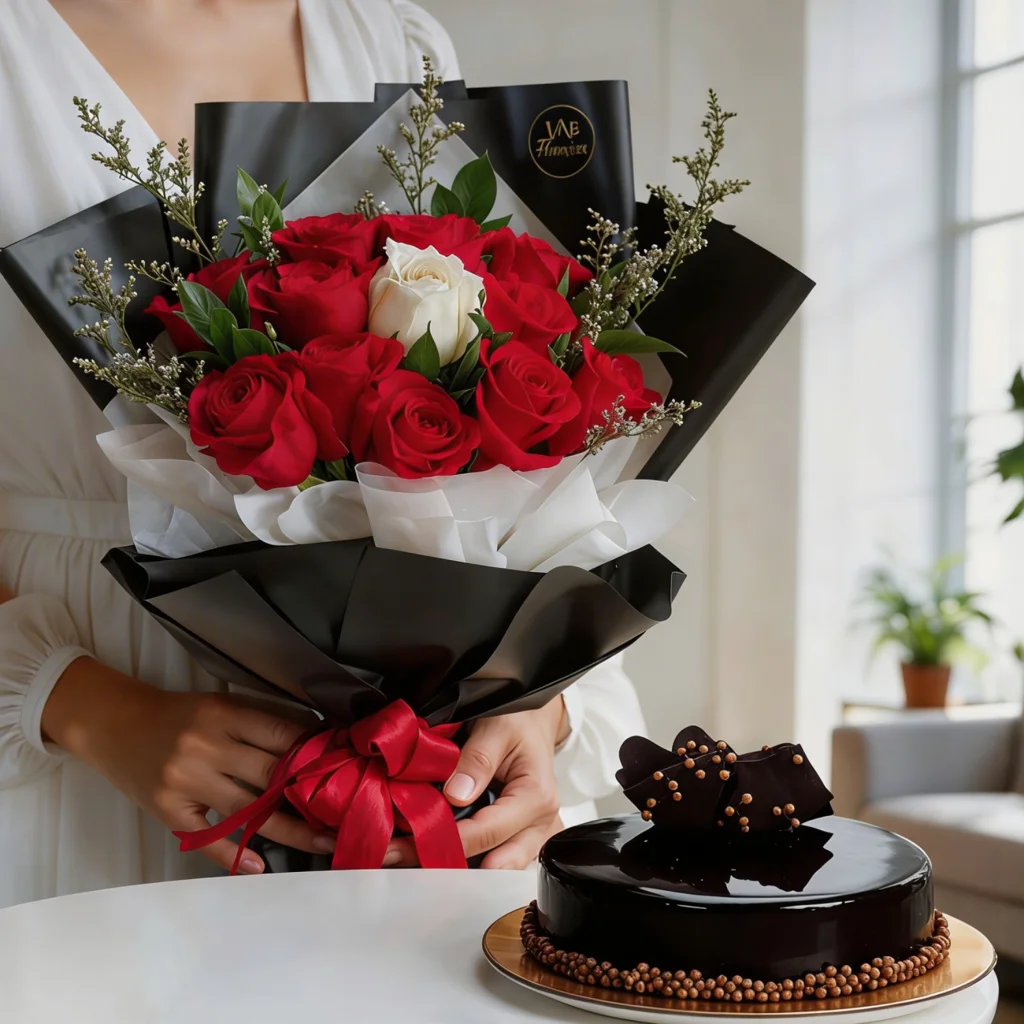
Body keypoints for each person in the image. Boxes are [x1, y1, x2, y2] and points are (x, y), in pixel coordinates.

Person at [0, 0, 647, 908]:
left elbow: (513, 464)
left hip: (402, 763)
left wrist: (536, 701)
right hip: (73, 748)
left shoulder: (394, 41)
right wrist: (79, 703)